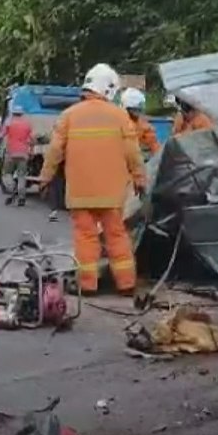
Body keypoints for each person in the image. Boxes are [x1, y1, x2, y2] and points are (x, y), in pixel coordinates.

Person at [38, 63, 146, 296]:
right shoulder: (120, 116)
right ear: (108, 89)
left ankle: (88, 285)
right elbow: (133, 153)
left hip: (80, 192)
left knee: (85, 238)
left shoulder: (68, 116)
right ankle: (126, 284)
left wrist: (44, 179)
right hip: (112, 193)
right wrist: (140, 179)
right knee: (116, 235)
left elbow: (54, 151)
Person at [0, 104, 34, 206]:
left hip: (11, 152)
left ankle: (12, 186)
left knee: (7, 173)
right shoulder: (27, 125)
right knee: (22, 175)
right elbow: (31, 140)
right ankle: (21, 196)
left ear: (13, 113)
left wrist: (0, 145)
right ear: (22, 114)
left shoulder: (9, 123)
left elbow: (1, 136)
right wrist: (30, 150)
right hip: (23, 153)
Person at [119, 87, 159, 157]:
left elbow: (155, 147)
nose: (139, 112)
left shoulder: (144, 125)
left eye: (139, 109)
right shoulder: (116, 122)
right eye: (135, 109)